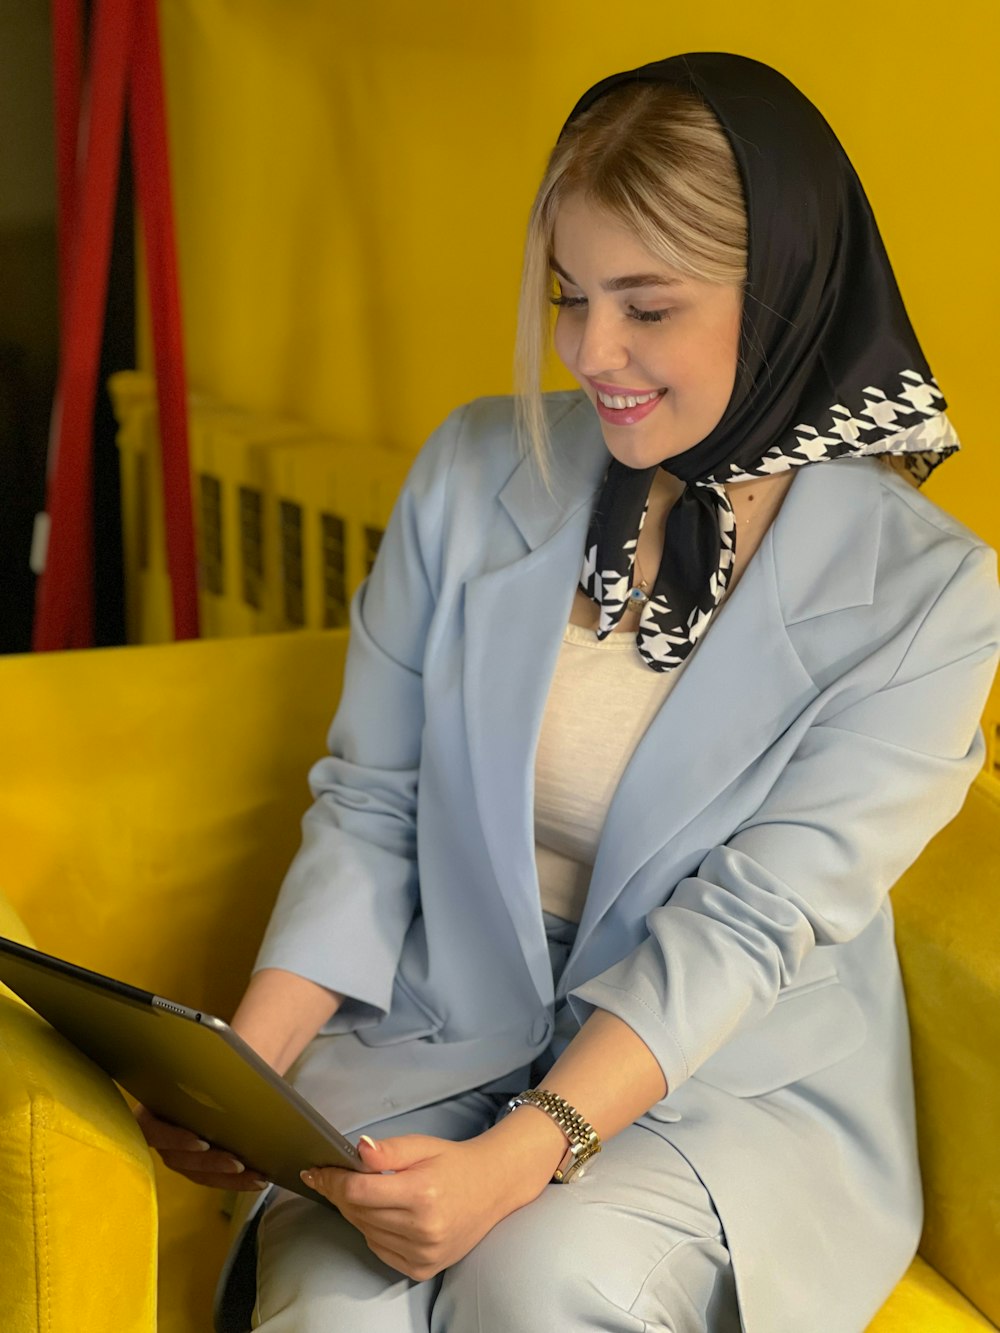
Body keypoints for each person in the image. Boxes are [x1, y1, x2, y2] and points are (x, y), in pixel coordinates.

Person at [139, 53, 1000, 1333]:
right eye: (567, 294)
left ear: (783, 302)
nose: (592, 353)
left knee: (536, 1287)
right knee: (329, 1317)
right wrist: (248, 1071)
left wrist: (522, 1151)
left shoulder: (936, 596)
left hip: (723, 1085)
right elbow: (374, 801)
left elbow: (752, 924)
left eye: (646, 307)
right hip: (437, 1027)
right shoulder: (470, 468)